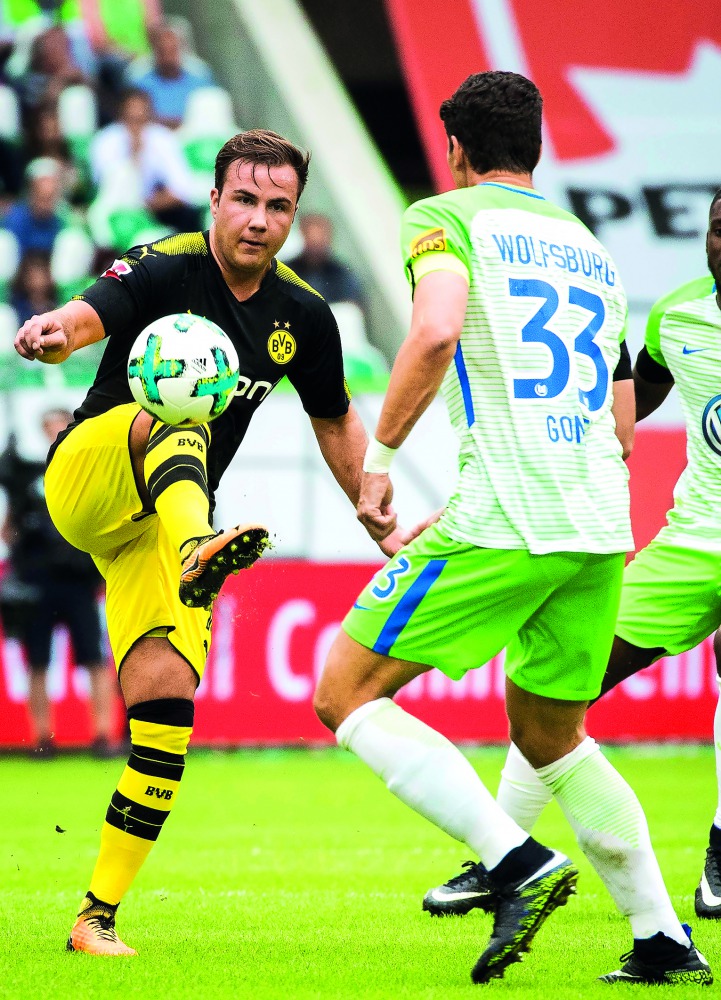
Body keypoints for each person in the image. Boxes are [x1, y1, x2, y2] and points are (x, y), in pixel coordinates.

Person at [312, 71, 711, 987]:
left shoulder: (443, 218)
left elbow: (436, 331)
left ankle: (512, 861)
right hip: (597, 521)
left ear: (454, 147)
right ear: (532, 147)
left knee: (345, 690)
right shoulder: (589, 252)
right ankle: (662, 939)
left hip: (513, 513)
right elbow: (618, 425)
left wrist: (377, 460)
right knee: (551, 735)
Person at [14, 127, 403, 957]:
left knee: (164, 708)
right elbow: (92, 312)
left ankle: (96, 918)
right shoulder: (164, 264)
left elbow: (334, 417)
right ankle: (201, 546)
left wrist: (371, 503)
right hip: (93, 474)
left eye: (278, 206)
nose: (259, 220)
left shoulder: (303, 312)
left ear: (293, 214)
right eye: (245, 200)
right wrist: (57, 330)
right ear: (215, 199)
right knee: (180, 408)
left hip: (160, 521)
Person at [428, 188, 721, 930]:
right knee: (560, 685)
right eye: (717, 228)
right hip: (690, 544)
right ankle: (503, 856)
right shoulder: (679, 315)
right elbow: (627, 402)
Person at [0, 408, 116, 757]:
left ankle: (102, 736)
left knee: (94, 658)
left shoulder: (91, 472)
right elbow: (9, 529)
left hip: (79, 580)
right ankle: (42, 738)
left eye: (60, 425)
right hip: (38, 582)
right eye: (48, 427)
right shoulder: (29, 477)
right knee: (37, 661)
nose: (54, 432)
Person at [89, 86, 201, 233]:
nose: (136, 127)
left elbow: (182, 190)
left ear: (150, 116)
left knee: (188, 215)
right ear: (121, 116)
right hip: (114, 211)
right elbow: (105, 187)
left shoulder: (163, 138)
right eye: (131, 119)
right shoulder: (105, 141)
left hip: (153, 209)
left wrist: (147, 205)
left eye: (141, 119)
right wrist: (134, 155)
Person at [130, 21, 215, 129]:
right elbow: (136, 117)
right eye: (162, 50)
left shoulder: (201, 78)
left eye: (172, 50)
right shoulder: (139, 82)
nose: (167, 57)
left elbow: (210, 115)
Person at [286, 213, 364, 308]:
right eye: (312, 240)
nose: (315, 246)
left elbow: (352, 309)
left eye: (320, 240)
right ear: (302, 236)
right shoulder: (283, 272)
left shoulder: (342, 274)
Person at [3, 156, 68, 256]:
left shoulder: (63, 219)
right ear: (30, 191)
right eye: (42, 197)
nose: (46, 203)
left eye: (50, 197)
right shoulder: (15, 219)